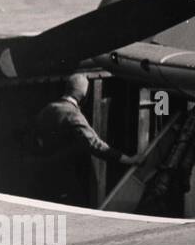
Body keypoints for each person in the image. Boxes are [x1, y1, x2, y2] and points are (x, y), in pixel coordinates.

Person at [32, 74, 140, 207]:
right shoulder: (73, 114)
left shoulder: (47, 109)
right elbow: (94, 144)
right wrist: (127, 159)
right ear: (83, 94)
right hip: (66, 181)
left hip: (44, 179)